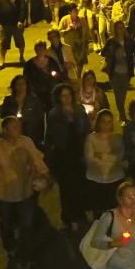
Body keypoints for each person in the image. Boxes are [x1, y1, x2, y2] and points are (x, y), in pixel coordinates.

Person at [0, 115, 50, 269]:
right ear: (5, 130)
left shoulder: (26, 142)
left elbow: (38, 162)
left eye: (19, 126)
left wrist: (44, 177)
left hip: (25, 193)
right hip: (4, 196)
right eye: (14, 127)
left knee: (26, 225)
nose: (18, 129)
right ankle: (10, 248)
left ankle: (26, 254)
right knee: (6, 226)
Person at [45, 83, 90, 229]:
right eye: (63, 96)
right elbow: (51, 137)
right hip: (63, 154)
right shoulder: (54, 114)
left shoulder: (79, 110)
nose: (67, 98)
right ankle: (68, 216)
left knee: (79, 185)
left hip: (78, 152)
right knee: (66, 187)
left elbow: (86, 129)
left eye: (68, 95)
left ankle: (80, 212)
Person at [84, 109, 126, 212]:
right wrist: (110, 157)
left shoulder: (117, 138)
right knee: (98, 210)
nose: (106, 125)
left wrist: (101, 155)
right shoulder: (91, 138)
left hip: (115, 178)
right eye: (103, 121)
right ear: (98, 122)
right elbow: (89, 158)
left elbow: (119, 157)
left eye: (109, 122)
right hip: (96, 179)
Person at [101, 20, 135, 123]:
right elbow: (103, 52)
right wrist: (113, 52)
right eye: (118, 27)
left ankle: (120, 114)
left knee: (123, 94)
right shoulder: (111, 41)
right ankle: (123, 116)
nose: (120, 30)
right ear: (114, 29)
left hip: (125, 71)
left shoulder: (128, 41)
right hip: (114, 71)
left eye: (122, 27)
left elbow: (133, 52)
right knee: (117, 94)